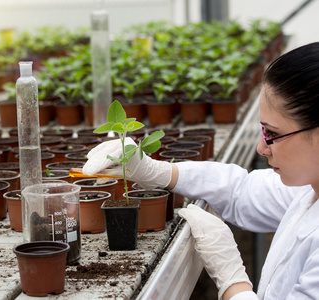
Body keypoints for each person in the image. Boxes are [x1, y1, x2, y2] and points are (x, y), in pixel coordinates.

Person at [83, 42, 319, 299]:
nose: (261, 148)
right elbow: (242, 191)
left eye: (272, 133)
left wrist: (233, 283)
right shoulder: (309, 187)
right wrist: (156, 171)